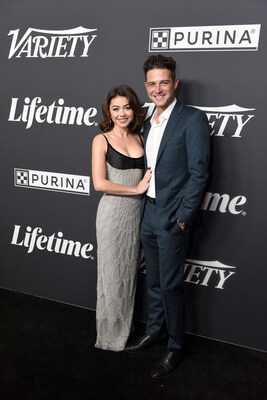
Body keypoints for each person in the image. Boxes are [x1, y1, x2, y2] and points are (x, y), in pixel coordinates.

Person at [125, 55, 210, 378]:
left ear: (175, 83)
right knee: (155, 279)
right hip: (147, 209)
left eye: (164, 82)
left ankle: (175, 346)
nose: (157, 88)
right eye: (152, 83)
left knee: (172, 283)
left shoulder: (192, 119)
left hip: (173, 214)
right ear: (145, 87)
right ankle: (155, 330)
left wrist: (184, 217)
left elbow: (199, 173)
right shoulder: (145, 120)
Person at [92, 85, 152, 352]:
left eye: (126, 107)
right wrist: (136, 189)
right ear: (109, 111)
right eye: (115, 108)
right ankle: (109, 336)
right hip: (112, 215)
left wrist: (143, 189)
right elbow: (99, 183)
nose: (121, 113)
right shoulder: (101, 140)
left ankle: (123, 330)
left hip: (134, 216)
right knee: (111, 274)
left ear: (134, 108)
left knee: (128, 274)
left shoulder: (141, 138)